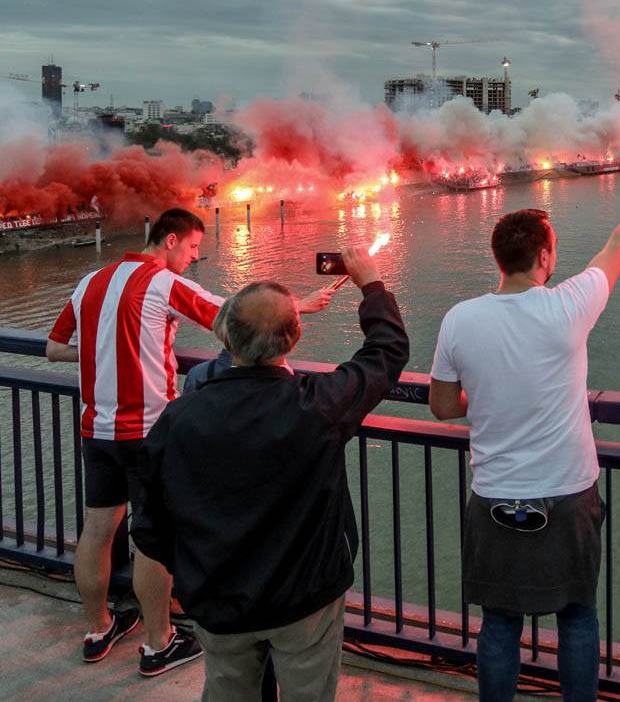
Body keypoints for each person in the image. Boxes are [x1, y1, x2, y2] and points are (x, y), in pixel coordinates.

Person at [45, 207, 333, 675]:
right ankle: (160, 644)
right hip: (147, 431)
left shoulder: (89, 282)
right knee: (152, 539)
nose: (195, 258)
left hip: (95, 429)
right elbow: (235, 315)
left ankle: (97, 630)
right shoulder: (160, 282)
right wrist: (301, 303)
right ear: (172, 240)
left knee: (97, 530)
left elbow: (54, 347)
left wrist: (108, 346)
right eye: (195, 248)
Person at [132, 247, 408, 701]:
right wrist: (371, 285)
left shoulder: (179, 419)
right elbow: (385, 353)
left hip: (219, 600)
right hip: (304, 598)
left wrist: (193, 570)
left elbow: (148, 522)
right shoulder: (315, 407)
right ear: (293, 338)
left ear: (226, 336)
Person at [428, 174, 620, 701]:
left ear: (498, 259)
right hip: (568, 490)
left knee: (501, 622)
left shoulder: (460, 320)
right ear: (546, 259)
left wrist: (481, 398)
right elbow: (616, 245)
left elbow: (443, 406)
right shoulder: (568, 307)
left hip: (495, 495)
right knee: (576, 614)